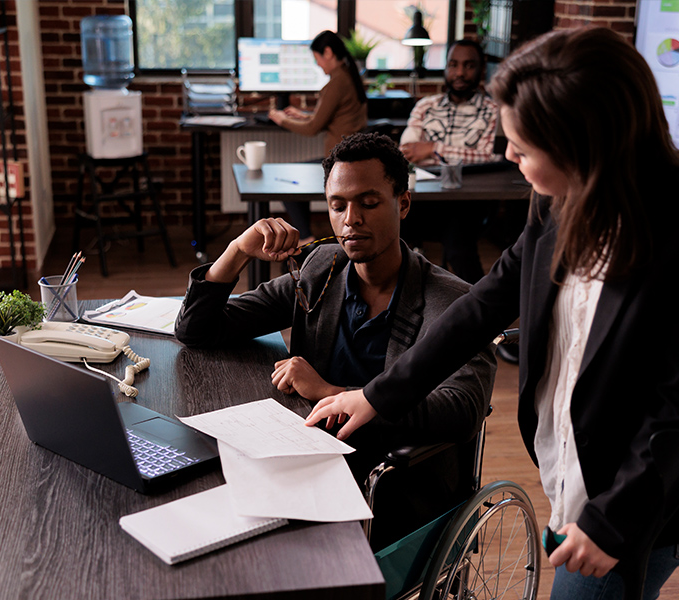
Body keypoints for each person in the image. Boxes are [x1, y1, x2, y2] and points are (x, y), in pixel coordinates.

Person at [306, 28, 679, 599]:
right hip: (577, 466)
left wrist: (613, 522)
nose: (510, 156)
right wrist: (375, 394)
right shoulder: (560, 194)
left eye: (523, 146)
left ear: (582, 144)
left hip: (644, 491)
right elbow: (485, 303)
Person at [176, 132, 495, 548]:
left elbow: (464, 407)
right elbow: (198, 330)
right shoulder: (323, 267)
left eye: (368, 202)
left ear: (403, 203)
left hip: (391, 486)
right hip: (306, 464)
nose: (351, 219)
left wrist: (337, 394)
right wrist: (237, 250)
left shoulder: (452, 300)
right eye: (337, 205)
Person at [399, 38, 500, 285]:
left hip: (467, 203)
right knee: (386, 230)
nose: (460, 73)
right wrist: (457, 153)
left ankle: (480, 311)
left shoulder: (493, 111)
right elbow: (408, 151)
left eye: (468, 66)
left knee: (459, 247)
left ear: (481, 69)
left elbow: (489, 156)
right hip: (425, 200)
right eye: (453, 65)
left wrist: (433, 148)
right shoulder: (426, 106)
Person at [268, 30, 369, 245]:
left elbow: (313, 128)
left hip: (339, 163)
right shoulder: (349, 76)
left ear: (328, 53)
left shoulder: (336, 83)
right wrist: (302, 114)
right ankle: (306, 236)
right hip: (350, 158)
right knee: (295, 183)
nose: (318, 65)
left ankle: (306, 239)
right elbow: (331, 119)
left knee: (287, 186)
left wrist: (280, 119)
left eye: (318, 59)